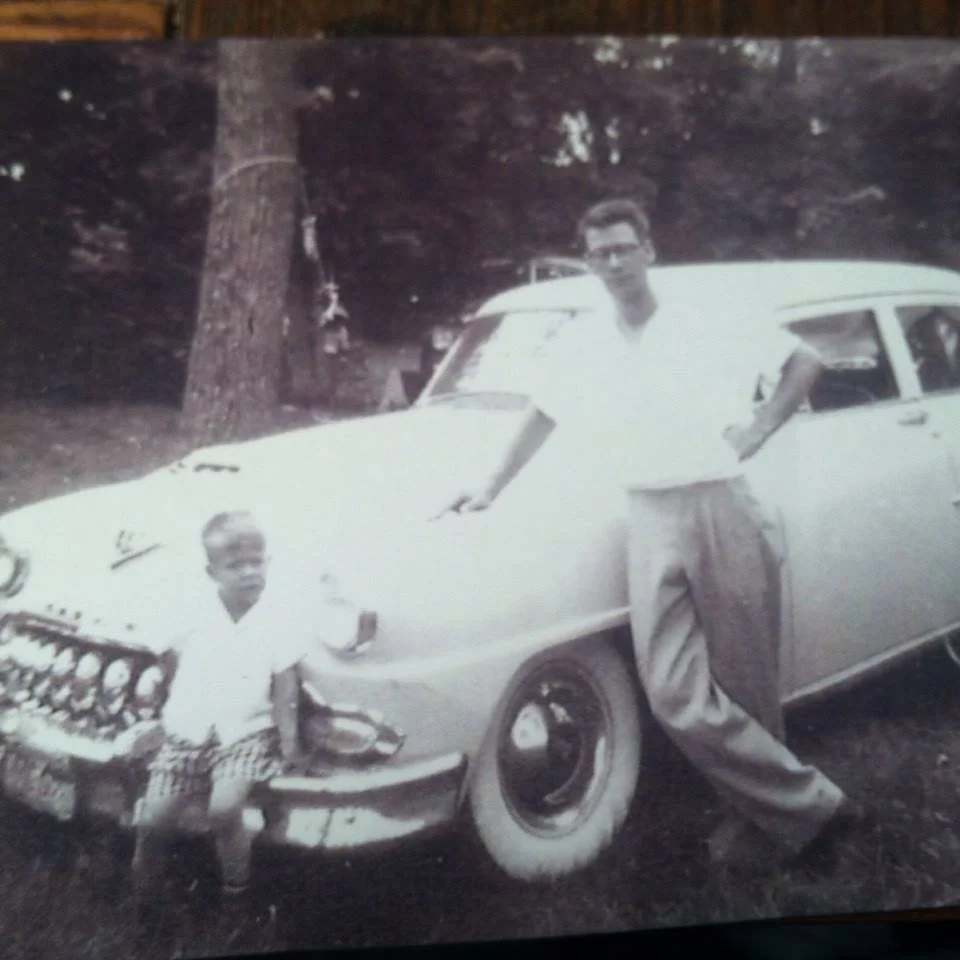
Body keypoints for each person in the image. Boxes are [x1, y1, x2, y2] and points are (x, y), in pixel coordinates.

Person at [443, 198, 871, 871]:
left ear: (648, 250)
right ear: (589, 262)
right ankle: (816, 809)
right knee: (672, 690)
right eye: (600, 253)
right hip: (648, 513)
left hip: (719, 502)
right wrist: (491, 485)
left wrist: (757, 429)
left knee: (747, 683)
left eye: (623, 248)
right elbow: (541, 414)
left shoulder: (706, 317)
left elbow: (806, 361)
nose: (613, 262)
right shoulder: (588, 339)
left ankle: (769, 830)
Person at [131, 510, 375, 914]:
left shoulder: (277, 619)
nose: (248, 573)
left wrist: (290, 742)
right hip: (188, 732)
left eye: (255, 563)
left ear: (268, 564)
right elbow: (168, 660)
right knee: (153, 820)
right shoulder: (192, 613)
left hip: (246, 734)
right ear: (212, 573)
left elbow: (285, 687)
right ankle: (144, 902)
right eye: (235, 566)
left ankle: (236, 894)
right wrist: (174, 708)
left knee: (224, 809)